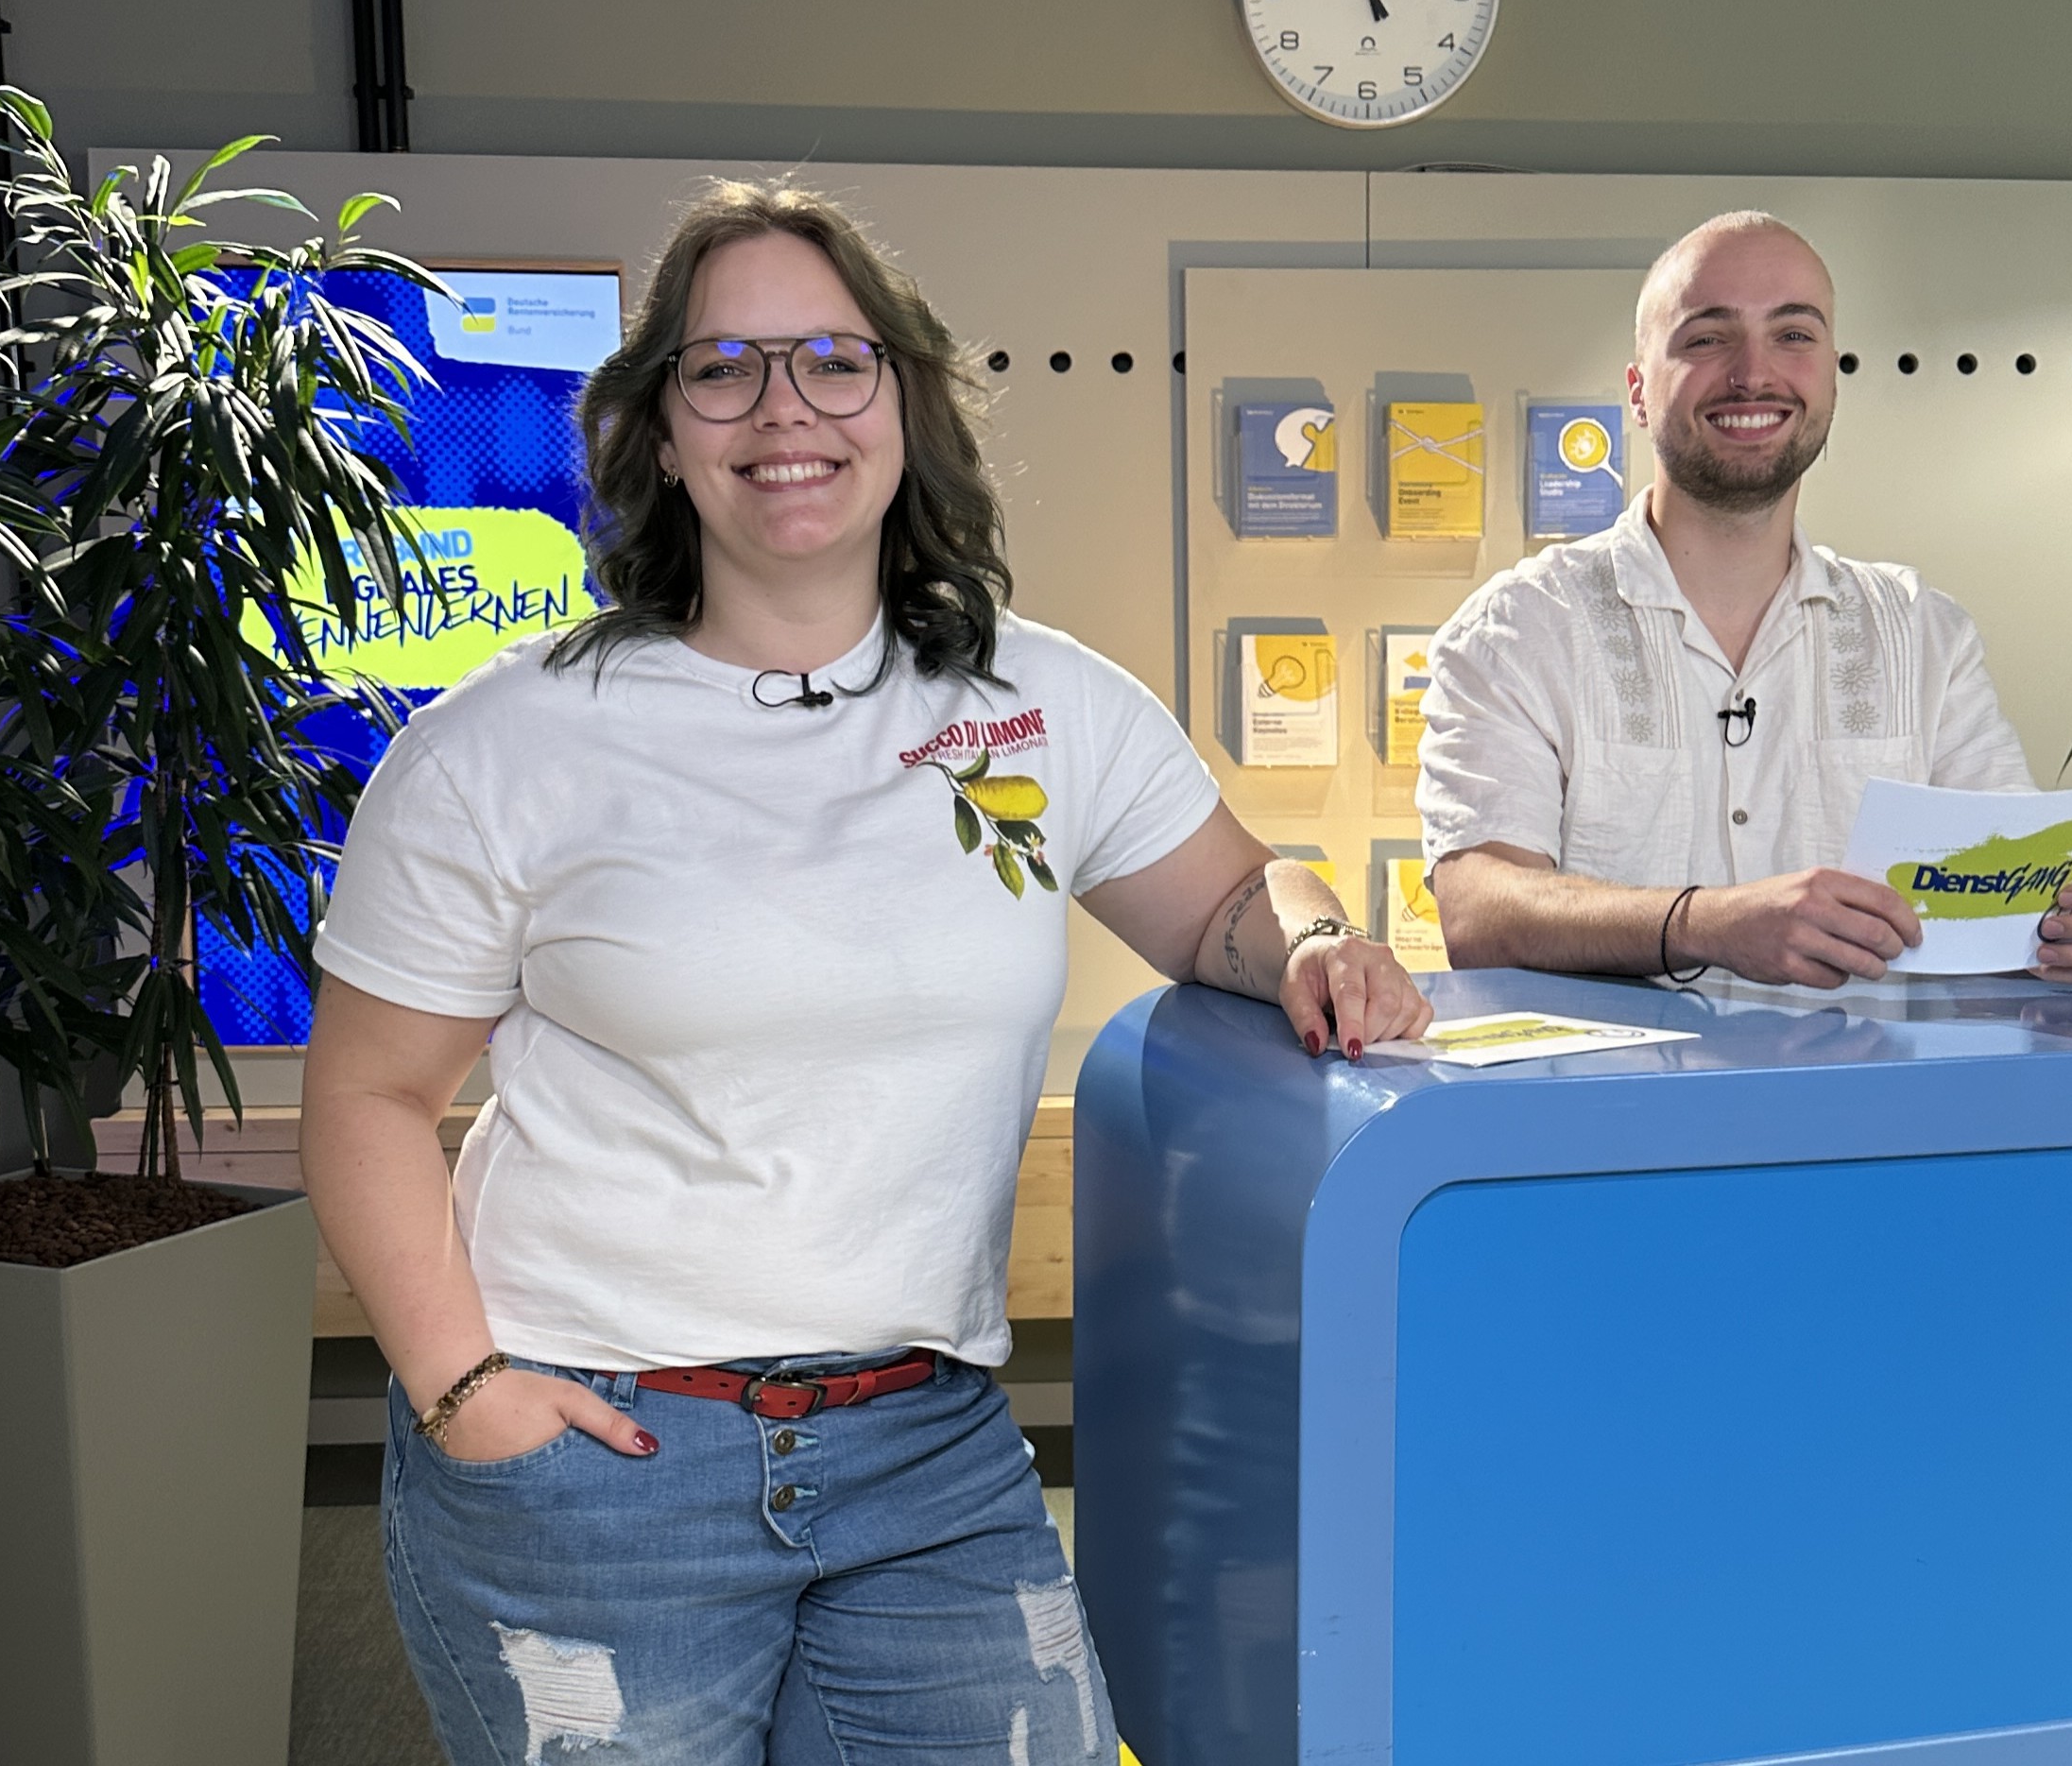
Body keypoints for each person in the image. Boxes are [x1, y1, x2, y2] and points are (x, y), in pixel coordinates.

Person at [299, 180, 1431, 1766]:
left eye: (833, 359)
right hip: (597, 1453)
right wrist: (462, 1390)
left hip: (929, 1447)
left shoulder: (1039, 707)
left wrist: (1312, 935)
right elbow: (365, 1096)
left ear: (902, 396)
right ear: (660, 425)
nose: (785, 409)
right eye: (724, 367)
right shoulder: (507, 742)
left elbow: (1229, 899)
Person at [1418, 210, 2072, 987]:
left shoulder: (1922, 634)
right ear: (1637, 391)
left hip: (1869, 1107)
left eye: (1793, 335)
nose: (1753, 374)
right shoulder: (1518, 630)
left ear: (1832, 372)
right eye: (1707, 338)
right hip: (1620, 1107)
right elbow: (1479, 907)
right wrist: (1706, 924)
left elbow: (2014, 897)